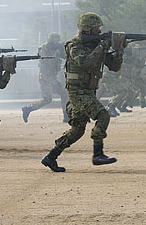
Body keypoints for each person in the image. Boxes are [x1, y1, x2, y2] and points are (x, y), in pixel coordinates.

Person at [41, 12, 123, 172]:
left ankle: (51, 157)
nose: (99, 30)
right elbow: (85, 63)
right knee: (103, 115)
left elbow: (114, 67)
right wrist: (102, 47)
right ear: (87, 29)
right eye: (96, 28)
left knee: (77, 129)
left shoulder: (95, 45)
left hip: (88, 91)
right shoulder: (74, 45)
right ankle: (98, 154)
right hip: (77, 91)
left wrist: (119, 51)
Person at [22, 32, 68, 123]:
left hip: (51, 77)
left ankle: (66, 116)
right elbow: (47, 60)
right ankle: (28, 109)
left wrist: (63, 49)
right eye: (56, 40)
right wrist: (58, 49)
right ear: (51, 40)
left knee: (59, 95)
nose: (57, 42)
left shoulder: (56, 49)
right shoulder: (44, 48)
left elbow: (65, 57)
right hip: (46, 78)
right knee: (51, 98)